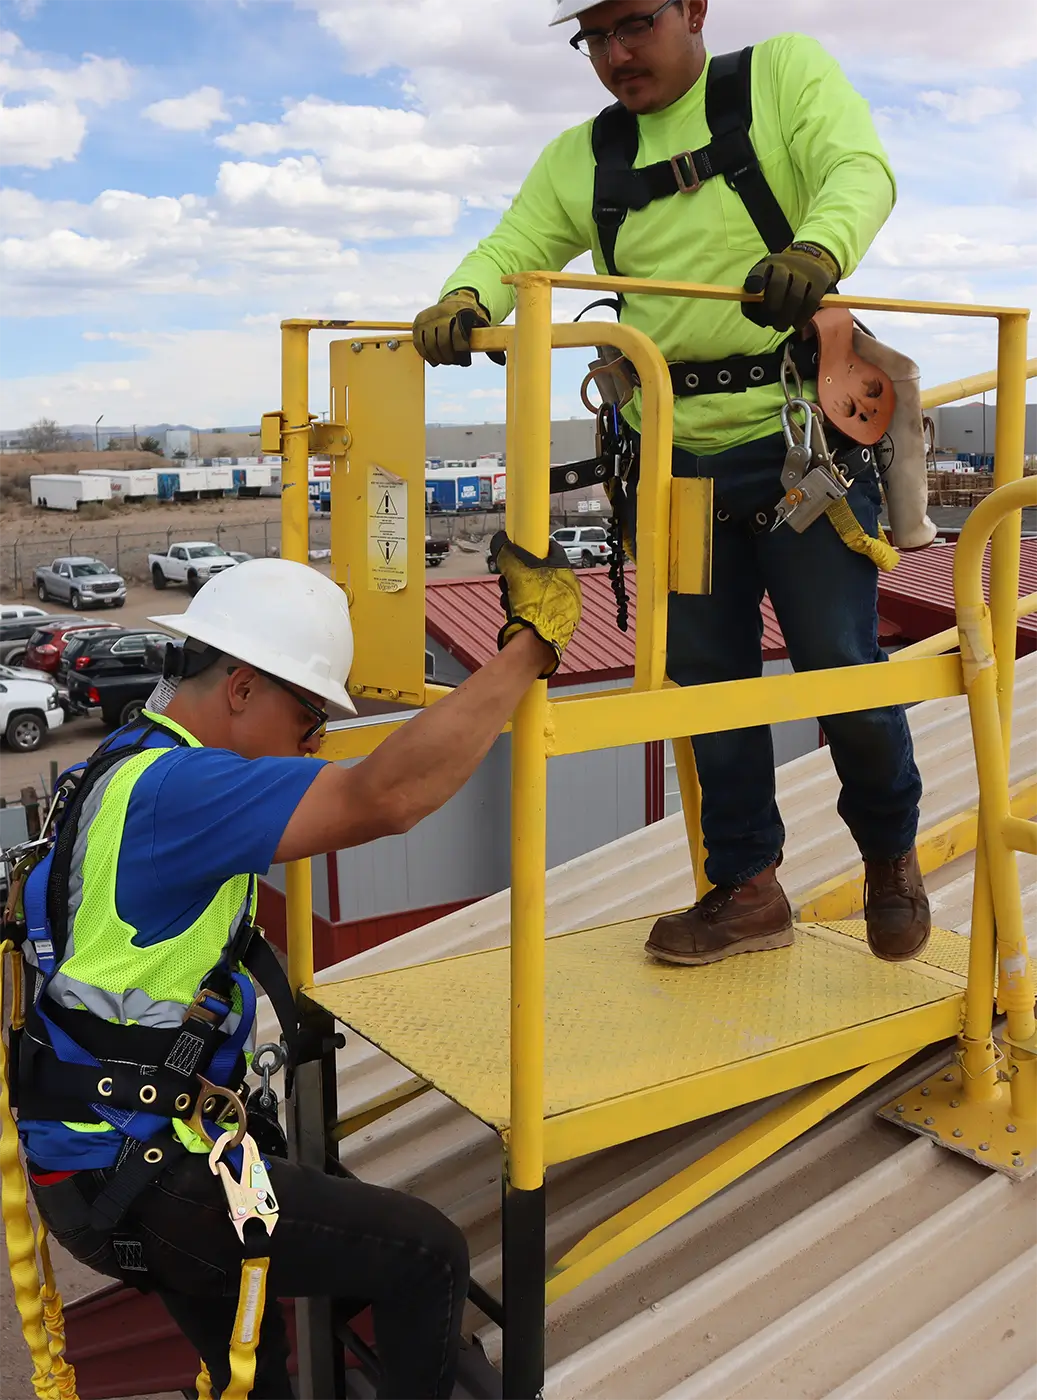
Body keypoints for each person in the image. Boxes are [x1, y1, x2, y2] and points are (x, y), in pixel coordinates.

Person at [412, 0, 931, 970]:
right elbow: (514, 245)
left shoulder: (779, 76)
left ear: (693, 8)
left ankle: (887, 854)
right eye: (594, 37)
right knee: (705, 681)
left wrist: (816, 252)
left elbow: (856, 169)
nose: (614, 53)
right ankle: (746, 887)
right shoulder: (585, 156)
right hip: (672, 462)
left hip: (799, 444)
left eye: (633, 25)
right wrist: (464, 296)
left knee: (838, 662)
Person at [13, 542, 581, 1400]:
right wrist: (527, 651)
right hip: (154, 1174)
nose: (313, 745)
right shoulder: (180, 791)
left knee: (254, 1371)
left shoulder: (124, 758)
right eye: (309, 719)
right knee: (426, 1256)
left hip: (102, 1167)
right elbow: (383, 797)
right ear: (241, 688)